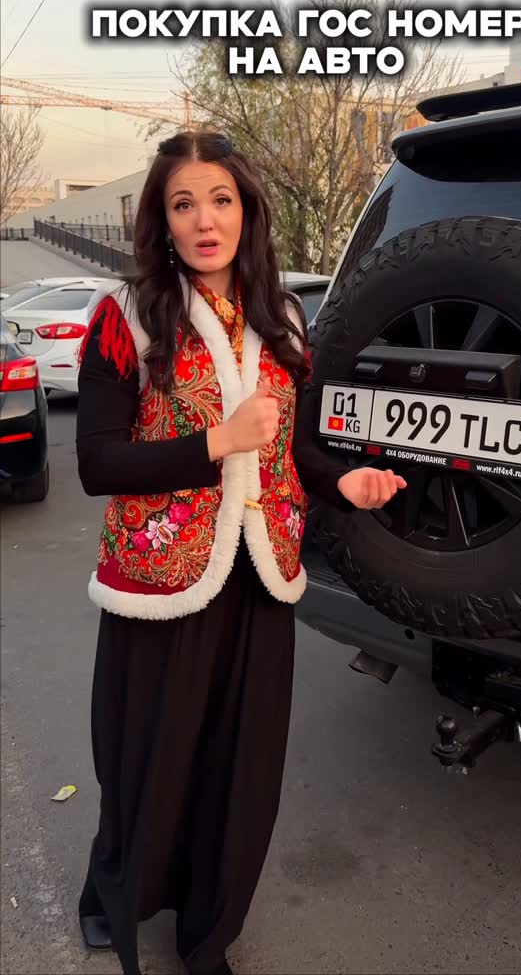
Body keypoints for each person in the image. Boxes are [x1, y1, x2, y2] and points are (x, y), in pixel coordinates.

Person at [75, 131, 406, 975]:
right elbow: (97, 463)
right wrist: (216, 441)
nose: (204, 220)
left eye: (220, 200)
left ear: (246, 211)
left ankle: (208, 932)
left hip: (260, 575)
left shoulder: (281, 317)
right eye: (183, 203)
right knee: (146, 756)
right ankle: (112, 892)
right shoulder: (126, 315)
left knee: (237, 765)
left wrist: (346, 484)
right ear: (161, 220)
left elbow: (291, 451)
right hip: (161, 578)